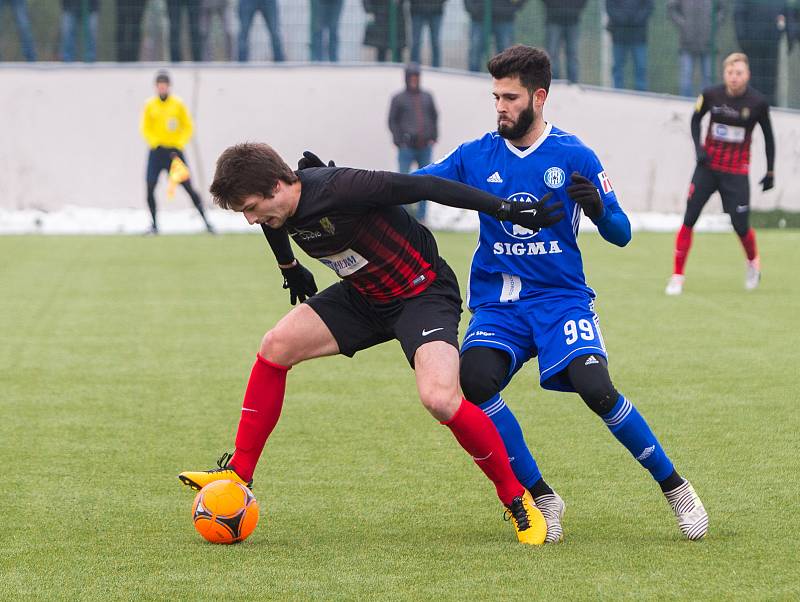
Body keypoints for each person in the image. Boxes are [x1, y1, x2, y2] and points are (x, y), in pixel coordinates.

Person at [177, 142, 568, 545]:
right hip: (365, 297)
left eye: (251, 207)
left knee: (440, 398)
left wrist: (504, 209)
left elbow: (428, 187)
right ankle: (239, 472)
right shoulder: (279, 210)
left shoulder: (345, 187)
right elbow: (273, 225)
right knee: (275, 346)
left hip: (423, 294)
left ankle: (518, 499)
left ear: (278, 186)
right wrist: (289, 266)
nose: (250, 219)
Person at [415, 45, 709, 541]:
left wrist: (598, 209)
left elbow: (621, 233)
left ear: (539, 96)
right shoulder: (476, 155)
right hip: (500, 304)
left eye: (510, 97)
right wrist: (334, 181)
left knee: (596, 388)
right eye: (496, 97)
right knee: (477, 380)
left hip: (561, 299)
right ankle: (542, 496)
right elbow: (409, 184)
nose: (500, 107)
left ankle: (675, 486)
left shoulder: (574, 155)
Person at [666, 53, 774, 296]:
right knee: (689, 218)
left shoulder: (758, 103)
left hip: (736, 172)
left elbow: (769, 137)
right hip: (707, 169)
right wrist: (699, 150)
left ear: (747, 75)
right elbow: (695, 121)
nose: (734, 78)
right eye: (730, 73)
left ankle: (752, 263)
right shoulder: (710, 95)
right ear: (724, 74)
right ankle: (677, 276)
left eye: (739, 73)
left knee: (740, 225)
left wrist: (770, 171)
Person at [139, 70, 214, 235]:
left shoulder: (177, 104)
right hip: (156, 152)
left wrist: (178, 144)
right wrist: (154, 142)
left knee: (188, 187)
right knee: (150, 187)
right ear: (156, 87)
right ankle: (154, 225)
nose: (162, 89)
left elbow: (187, 126)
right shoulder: (150, 105)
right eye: (159, 86)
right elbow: (145, 127)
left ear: (169, 86)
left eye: (164, 86)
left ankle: (207, 222)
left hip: (174, 153)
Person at [388, 63, 438, 221]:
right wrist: (399, 141)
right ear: (406, 78)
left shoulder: (427, 96)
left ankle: (422, 218)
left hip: (425, 146)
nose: (414, 80)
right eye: (412, 77)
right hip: (406, 148)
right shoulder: (398, 98)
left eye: (417, 77)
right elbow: (392, 121)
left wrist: (433, 137)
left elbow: (434, 117)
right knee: (403, 183)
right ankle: (402, 218)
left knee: (425, 184)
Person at [667, 0, 726, 98]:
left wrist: (713, 23)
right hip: (686, 42)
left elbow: (723, 9)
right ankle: (684, 106)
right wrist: (683, 24)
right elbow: (671, 8)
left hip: (708, 43)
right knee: (685, 78)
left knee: (708, 78)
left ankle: (705, 106)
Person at [733, 0, 785, 106]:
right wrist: (742, 39)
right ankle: (755, 104)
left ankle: (768, 105)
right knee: (755, 76)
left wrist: (779, 33)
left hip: (770, 42)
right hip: (753, 43)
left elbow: (783, 13)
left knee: (769, 76)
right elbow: (739, 14)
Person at [465, 0, 527, 72]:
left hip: (505, 17)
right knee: (475, 53)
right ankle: (473, 80)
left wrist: (513, 8)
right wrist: (473, 7)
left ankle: (506, 80)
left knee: (507, 55)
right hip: (479, 17)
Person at [606, 0, 653, 91]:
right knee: (618, 67)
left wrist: (637, 19)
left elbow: (649, 6)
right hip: (619, 34)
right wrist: (622, 19)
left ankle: (641, 96)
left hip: (639, 34)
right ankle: (617, 94)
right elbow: (610, 6)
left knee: (641, 67)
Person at [541, 0, 586, 83]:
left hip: (573, 20)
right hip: (553, 20)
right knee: (552, 54)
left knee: (572, 55)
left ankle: (573, 84)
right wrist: (554, 7)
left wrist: (575, 10)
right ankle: (553, 84)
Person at [409, 0, 446, 67]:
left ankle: (436, 69)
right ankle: (414, 69)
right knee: (416, 42)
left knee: (435, 42)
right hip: (417, 9)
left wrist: (438, 3)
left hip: (436, 10)